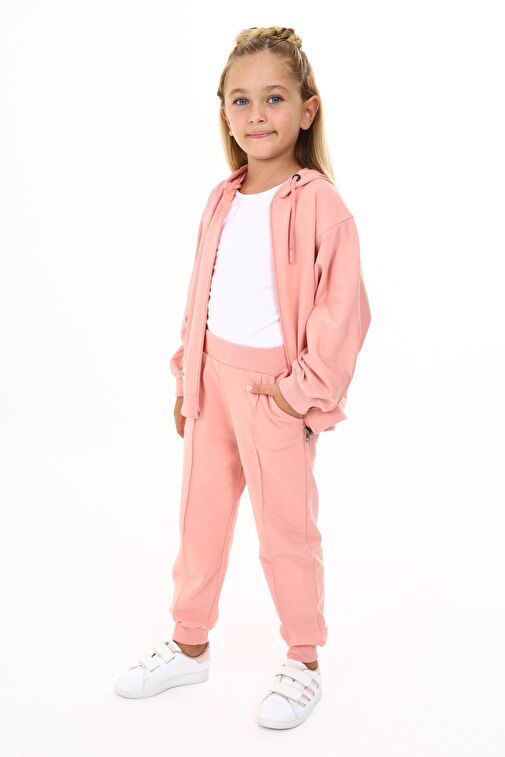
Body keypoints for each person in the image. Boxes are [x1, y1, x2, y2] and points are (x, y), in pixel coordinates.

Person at [114, 26, 372, 729]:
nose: (257, 114)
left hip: (273, 394)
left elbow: (344, 311)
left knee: (286, 531)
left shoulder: (318, 203)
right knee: (199, 520)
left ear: (307, 110)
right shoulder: (222, 197)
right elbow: (201, 290)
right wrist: (185, 376)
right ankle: (189, 643)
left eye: (274, 98)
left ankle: (303, 658)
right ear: (224, 111)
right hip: (212, 387)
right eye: (241, 100)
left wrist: (297, 392)